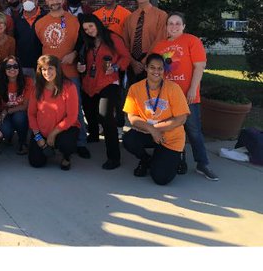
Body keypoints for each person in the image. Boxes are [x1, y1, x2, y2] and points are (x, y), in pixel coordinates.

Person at [151, 12, 218, 180]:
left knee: (193, 130)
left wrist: (193, 89)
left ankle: (202, 163)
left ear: (184, 26)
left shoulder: (192, 41)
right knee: (172, 129)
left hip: (187, 96)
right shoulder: (160, 46)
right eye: (170, 23)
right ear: (166, 26)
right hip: (167, 96)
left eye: (177, 23)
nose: (174, 26)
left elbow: (199, 66)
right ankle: (179, 160)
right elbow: (155, 71)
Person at [34, 0, 89, 156]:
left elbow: (83, 43)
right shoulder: (40, 23)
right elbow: (37, 49)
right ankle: (44, 138)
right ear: (46, 1)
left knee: (75, 108)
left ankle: (81, 142)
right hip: (48, 74)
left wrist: (75, 54)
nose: (55, 1)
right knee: (46, 107)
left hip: (69, 72)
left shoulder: (75, 20)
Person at [122, 52, 189, 185]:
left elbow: (181, 119)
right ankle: (146, 159)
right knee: (129, 140)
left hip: (170, 136)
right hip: (148, 132)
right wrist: (152, 130)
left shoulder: (173, 88)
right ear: (146, 68)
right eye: (152, 67)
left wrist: (156, 129)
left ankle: (178, 155)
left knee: (161, 179)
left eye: (160, 68)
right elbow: (132, 117)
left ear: (164, 70)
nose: (156, 71)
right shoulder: (135, 88)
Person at [80, 14, 130, 170]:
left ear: (97, 24)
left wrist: (115, 67)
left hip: (109, 82)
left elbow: (125, 57)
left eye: (91, 26)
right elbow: (84, 61)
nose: (89, 30)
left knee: (105, 116)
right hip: (89, 83)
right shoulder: (87, 42)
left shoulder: (112, 38)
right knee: (89, 109)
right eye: (85, 29)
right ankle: (94, 135)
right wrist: (80, 67)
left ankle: (114, 157)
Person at [27, 55, 80, 170]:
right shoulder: (37, 88)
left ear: (57, 69)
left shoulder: (69, 87)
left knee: (66, 143)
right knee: (36, 162)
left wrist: (53, 134)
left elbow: (72, 116)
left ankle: (66, 157)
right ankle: (47, 148)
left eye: (50, 68)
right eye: (44, 69)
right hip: (41, 132)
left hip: (63, 131)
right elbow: (31, 114)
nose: (47, 72)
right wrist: (38, 138)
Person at [122, 0, 167, 85]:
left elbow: (160, 40)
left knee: (151, 92)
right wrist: (133, 62)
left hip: (153, 61)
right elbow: (125, 42)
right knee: (134, 93)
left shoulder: (161, 15)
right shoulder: (129, 18)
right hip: (133, 63)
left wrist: (145, 61)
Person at [0, 55, 33, 153]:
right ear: (4, 69)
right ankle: (8, 137)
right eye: (8, 67)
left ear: (19, 68)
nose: (12, 69)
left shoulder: (28, 81)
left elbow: (25, 106)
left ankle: (22, 142)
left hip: (20, 112)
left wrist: (7, 111)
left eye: (15, 66)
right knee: (5, 130)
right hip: (5, 113)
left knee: (19, 117)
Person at [13, 0, 44, 76]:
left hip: (41, 64)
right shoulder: (17, 20)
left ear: (36, 2)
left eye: (30, 0)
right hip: (23, 64)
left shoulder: (45, 17)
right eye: (25, 1)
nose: (27, 2)